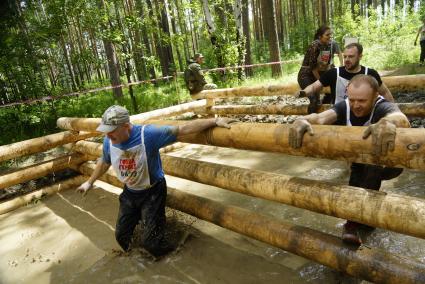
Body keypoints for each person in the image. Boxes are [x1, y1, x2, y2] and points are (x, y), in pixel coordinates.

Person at [76, 105, 236, 257]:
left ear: (126, 126)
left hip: (153, 192)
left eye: (111, 131)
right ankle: (140, 256)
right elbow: (105, 161)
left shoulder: (148, 135)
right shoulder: (108, 141)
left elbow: (183, 129)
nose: (108, 135)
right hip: (130, 193)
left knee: (152, 244)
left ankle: (174, 250)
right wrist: (89, 182)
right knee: (122, 237)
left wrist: (214, 121)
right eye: (106, 131)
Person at [289, 74, 410, 245]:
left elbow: (400, 117)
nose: (356, 105)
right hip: (361, 161)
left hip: (390, 165)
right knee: (359, 171)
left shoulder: (382, 105)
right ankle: (363, 219)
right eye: (352, 100)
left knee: (371, 166)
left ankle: (353, 223)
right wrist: (302, 120)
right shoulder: (346, 105)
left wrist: (387, 123)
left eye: (361, 101)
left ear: (375, 96)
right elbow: (321, 118)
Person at [298, 43, 394, 113]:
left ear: (360, 56)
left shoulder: (370, 73)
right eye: (345, 57)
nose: (347, 60)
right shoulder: (334, 73)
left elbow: (384, 92)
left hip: (365, 116)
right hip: (339, 115)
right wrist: (303, 92)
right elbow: (315, 87)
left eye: (351, 57)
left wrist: (394, 111)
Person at [297, 26, 338, 113]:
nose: (330, 36)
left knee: (330, 93)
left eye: (330, 34)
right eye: (327, 35)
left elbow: (328, 63)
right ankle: (310, 122)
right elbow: (313, 67)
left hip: (319, 74)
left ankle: (322, 115)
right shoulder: (315, 45)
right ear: (320, 36)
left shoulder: (329, 45)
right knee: (314, 100)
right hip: (306, 75)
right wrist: (320, 81)